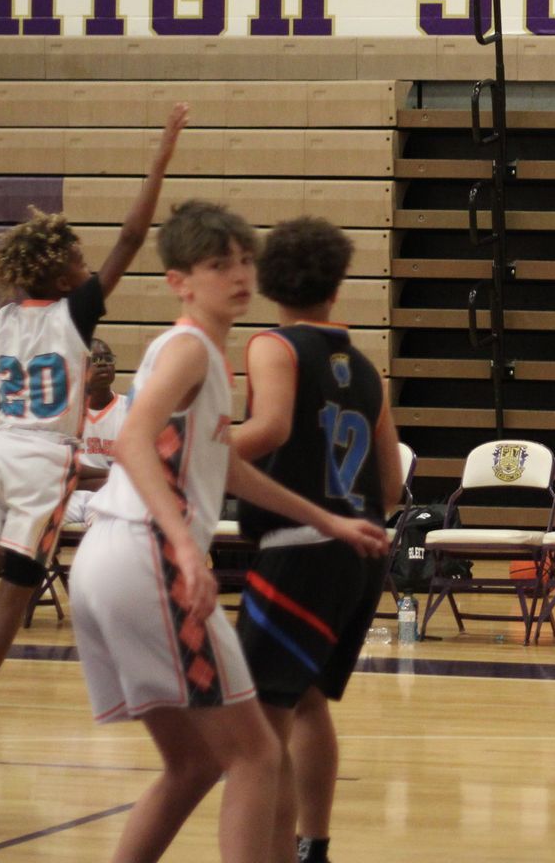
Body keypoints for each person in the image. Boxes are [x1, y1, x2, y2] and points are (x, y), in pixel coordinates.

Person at [67, 201, 388, 863]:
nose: (239, 275)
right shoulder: (190, 348)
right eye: (219, 265)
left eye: (244, 260)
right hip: (147, 553)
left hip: (110, 557)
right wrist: (186, 546)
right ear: (180, 282)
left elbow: (224, 467)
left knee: (194, 765)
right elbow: (131, 441)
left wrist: (326, 518)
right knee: (255, 754)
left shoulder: (205, 353)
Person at [0, 103, 187, 806]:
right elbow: (133, 236)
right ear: (64, 274)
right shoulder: (76, 312)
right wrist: (161, 157)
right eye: (78, 258)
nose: (87, 263)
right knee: (16, 589)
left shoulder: (1, 317)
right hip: (42, 459)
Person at [230, 216, 401, 863]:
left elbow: (270, 428)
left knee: (261, 724)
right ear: (336, 283)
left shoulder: (273, 346)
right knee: (306, 701)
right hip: (361, 553)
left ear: (269, 282)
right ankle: (314, 847)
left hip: (299, 550)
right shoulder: (366, 370)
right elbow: (391, 486)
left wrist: (186, 443)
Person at [63, 337, 125, 526]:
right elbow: (62, 472)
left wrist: (82, 477)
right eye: (96, 360)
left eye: (108, 359)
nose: (104, 364)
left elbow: (134, 476)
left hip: (113, 496)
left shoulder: (132, 409)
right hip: (70, 495)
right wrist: (113, 475)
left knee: (107, 526)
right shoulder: (65, 413)